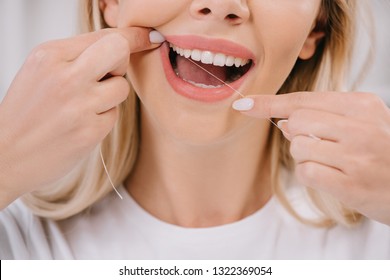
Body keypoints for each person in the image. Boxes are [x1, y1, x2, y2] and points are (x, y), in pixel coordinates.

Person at [0, 0, 389, 259]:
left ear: (314, 28)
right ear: (111, 3)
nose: (220, 5)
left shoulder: (377, 233)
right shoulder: (17, 234)